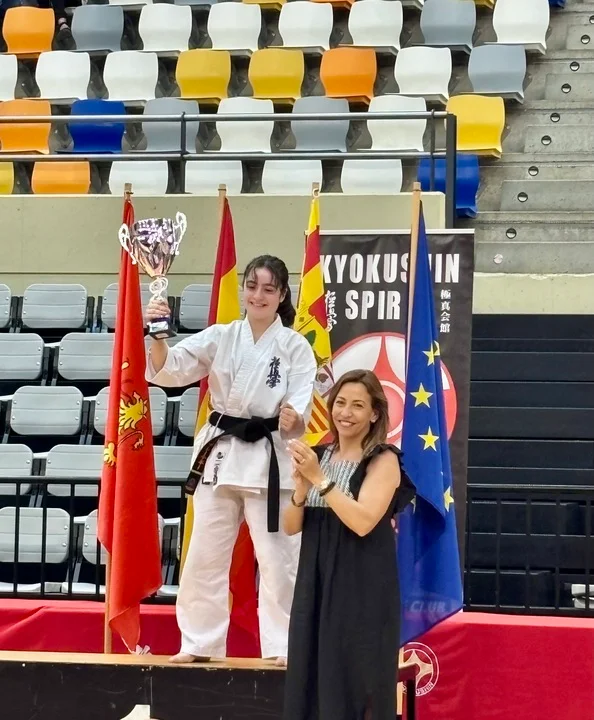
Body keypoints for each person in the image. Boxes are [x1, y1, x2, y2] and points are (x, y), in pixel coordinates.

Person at [145, 255, 317, 665]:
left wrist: (294, 419)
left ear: (282, 295)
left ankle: (283, 646)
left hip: (268, 457)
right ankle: (199, 642)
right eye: (252, 286)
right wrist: (157, 333)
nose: (258, 295)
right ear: (243, 289)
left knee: (277, 560)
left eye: (269, 289)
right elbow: (169, 369)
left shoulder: (294, 346)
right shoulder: (221, 336)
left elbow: (300, 407)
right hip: (220, 454)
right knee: (204, 554)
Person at [283, 369, 416, 720]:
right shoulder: (320, 455)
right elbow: (291, 526)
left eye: (358, 405)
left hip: (361, 587)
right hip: (315, 583)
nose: (345, 412)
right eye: (340, 402)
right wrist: (301, 488)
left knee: (354, 681)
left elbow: (362, 522)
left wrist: (319, 480)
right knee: (310, 677)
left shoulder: (383, 459)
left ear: (374, 413)